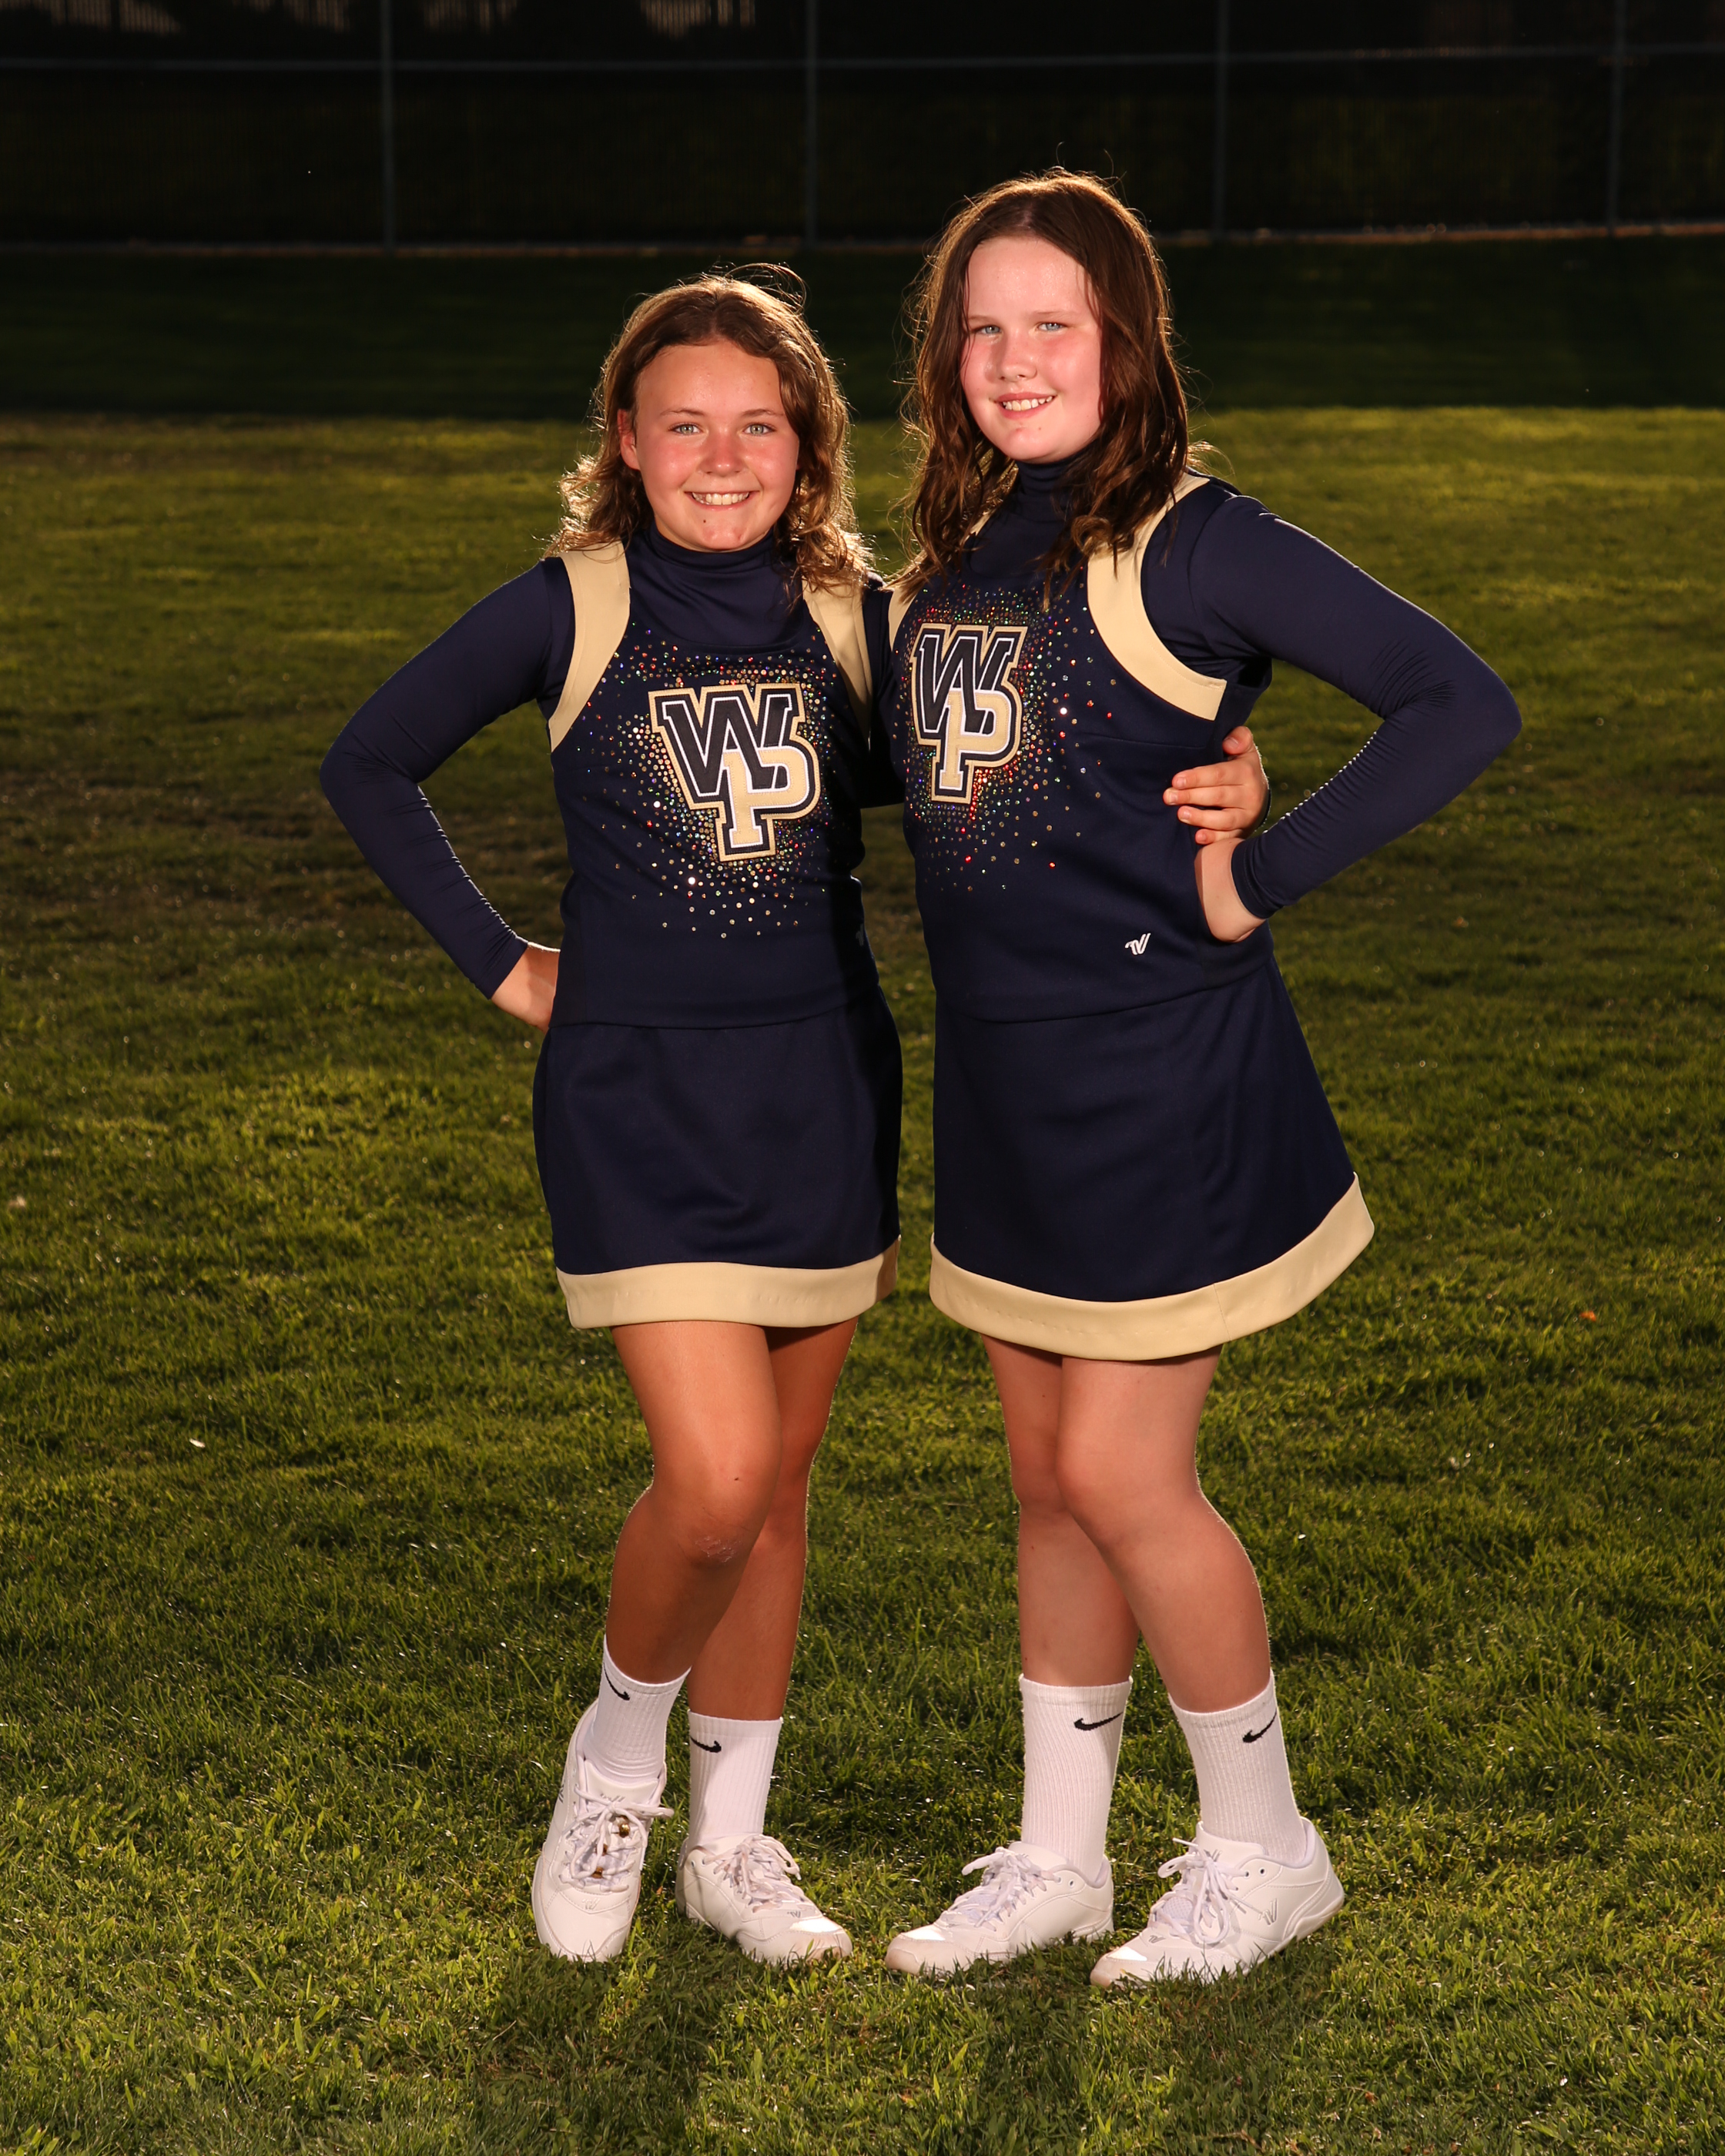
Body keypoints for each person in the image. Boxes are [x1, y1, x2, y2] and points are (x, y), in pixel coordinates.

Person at [870, 172, 1520, 1985]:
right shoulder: (949, 556)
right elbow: (989, 768)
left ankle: (1264, 1844)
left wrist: (1260, 862)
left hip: (1163, 1075)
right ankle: (1060, 1856)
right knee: (1044, 1478)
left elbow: (1457, 700)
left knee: (1122, 1471)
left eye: (1053, 324)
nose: (1013, 359)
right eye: (981, 328)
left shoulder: (1198, 539)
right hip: (1003, 1086)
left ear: (1127, 341)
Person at [321, 273, 905, 1967]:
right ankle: (615, 1765)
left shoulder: (856, 618)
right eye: (684, 425)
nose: (721, 457)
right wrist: (503, 962)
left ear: (808, 446)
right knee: (713, 1484)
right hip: (639, 1099)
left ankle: (733, 1843)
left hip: (822, 1088)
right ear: (627, 444)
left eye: (758, 425)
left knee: (778, 1490)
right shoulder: (570, 604)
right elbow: (372, 760)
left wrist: (1223, 772)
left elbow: (998, 773)